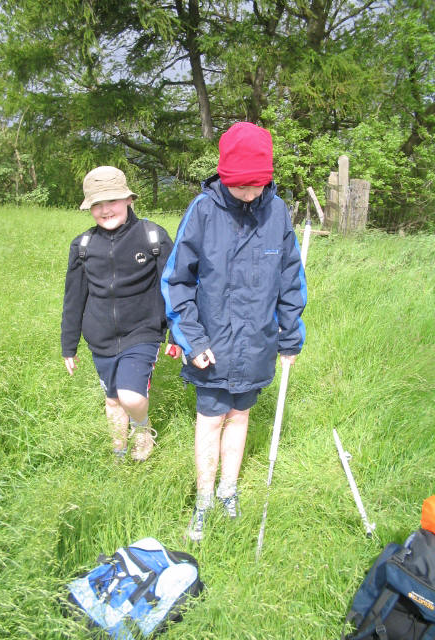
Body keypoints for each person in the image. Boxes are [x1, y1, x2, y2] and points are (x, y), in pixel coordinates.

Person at [161, 122, 307, 541]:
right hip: (212, 345)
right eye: (241, 187)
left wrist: (290, 336)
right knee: (210, 419)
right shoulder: (203, 211)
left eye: (257, 186)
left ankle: (229, 490)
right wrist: (193, 340)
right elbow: (176, 283)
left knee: (240, 415)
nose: (250, 194)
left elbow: (290, 279)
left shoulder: (277, 211)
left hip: (257, 342)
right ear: (225, 177)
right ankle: (204, 499)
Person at [61, 166, 181, 462]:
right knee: (113, 400)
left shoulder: (152, 237)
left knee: (131, 396)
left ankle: (142, 429)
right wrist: (69, 345)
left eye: (112, 201)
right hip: (100, 337)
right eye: (97, 205)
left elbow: (175, 286)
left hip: (143, 331)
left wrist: (176, 334)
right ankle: (118, 454)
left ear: (129, 200)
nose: (105, 210)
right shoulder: (83, 246)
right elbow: (74, 298)